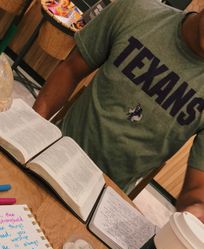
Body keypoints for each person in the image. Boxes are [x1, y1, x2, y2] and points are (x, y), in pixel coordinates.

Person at [33, 0, 204, 222]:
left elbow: (196, 189)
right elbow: (70, 69)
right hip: (54, 152)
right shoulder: (134, 11)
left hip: (104, 199)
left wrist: (197, 210)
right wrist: (33, 128)